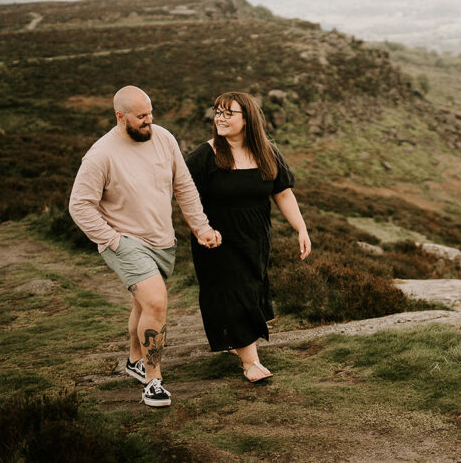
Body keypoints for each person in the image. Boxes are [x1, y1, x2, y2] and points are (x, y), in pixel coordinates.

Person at [69, 85, 222, 408]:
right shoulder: (100, 155)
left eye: (150, 114)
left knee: (143, 305)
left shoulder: (164, 139)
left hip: (162, 240)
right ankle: (153, 381)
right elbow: (79, 205)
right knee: (156, 302)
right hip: (125, 242)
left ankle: (134, 360)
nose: (148, 121)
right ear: (119, 116)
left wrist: (201, 227)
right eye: (140, 117)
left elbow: (184, 186)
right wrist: (111, 240)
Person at [185, 91, 311, 382]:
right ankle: (251, 363)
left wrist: (301, 229)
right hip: (217, 240)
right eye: (218, 111)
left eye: (229, 113)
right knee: (234, 293)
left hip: (256, 238)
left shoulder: (267, 151)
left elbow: (282, 192)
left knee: (251, 291)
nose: (220, 118)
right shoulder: (205, 155)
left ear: (248, 119)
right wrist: (201, 230)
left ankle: (237, 341)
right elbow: (186, 198)